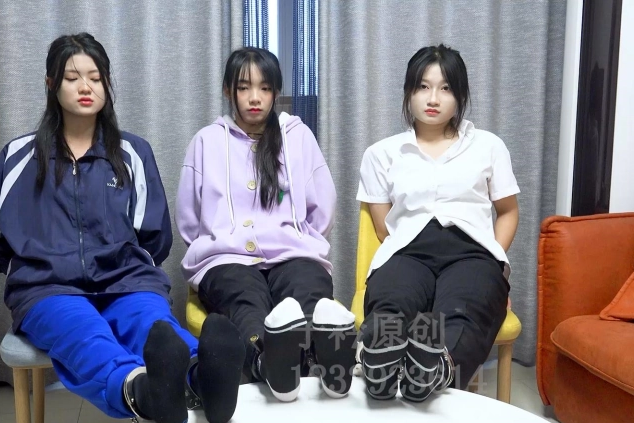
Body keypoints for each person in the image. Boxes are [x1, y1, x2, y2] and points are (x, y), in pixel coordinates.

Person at [0, 33, 245, 423]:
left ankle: (205, 377)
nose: (85, 87)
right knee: (85, 335)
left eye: (95, 78)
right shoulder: (19, 156)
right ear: (51, 84)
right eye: (72, 78)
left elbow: (153, 236)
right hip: (48, 287)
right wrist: (34, 264)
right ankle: (142, 392)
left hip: (126, 279)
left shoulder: (133, 153)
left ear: (107, 83)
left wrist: (127, 267)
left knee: (152, 324)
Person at [175, 47, 356, 402]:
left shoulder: (297, 136)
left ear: (276, 92)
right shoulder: (206, 141)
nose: (255, 98)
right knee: (247, 303)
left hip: (293, 252)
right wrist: (215, 246)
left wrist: (299, 239)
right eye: (244, 87)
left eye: (265, 88)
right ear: (228, 90)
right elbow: (189, 218)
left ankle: (315, 363)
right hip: (226, 257)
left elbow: (323, 205)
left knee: (308, 290)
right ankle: (270, 363)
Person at [356, 44, 519, 402]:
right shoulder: (381, 154)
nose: (433, 98)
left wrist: (494, 263)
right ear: (408, 92)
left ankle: (434, 371)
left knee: (464, 309)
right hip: (407, 251)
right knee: (392, 301)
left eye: (445, 88)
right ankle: (379, 368)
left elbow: (508, 211)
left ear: (460, 96)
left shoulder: (488, 146)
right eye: (423, 87)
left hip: (471, 253)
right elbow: (384, 228)